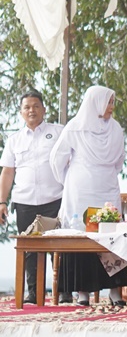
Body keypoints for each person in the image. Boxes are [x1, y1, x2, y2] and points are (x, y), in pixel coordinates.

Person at [50, 85, 127, 306]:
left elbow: (119, 160)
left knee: (112, 236)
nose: (111, 107)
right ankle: (82, 293)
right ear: (95, 102)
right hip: (80, 191)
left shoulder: (116, 129)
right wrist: (67, 181)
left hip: (107, 189)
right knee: (81, 236)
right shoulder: (75, 127)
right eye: (108, 102)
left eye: (113, 102)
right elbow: (57, 159)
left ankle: (115, 293)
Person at [0, 90, 72, 304]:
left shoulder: (59, 132)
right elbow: (7, 172)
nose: (31, 110)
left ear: (44, 109)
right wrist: (1, 201)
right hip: (25, 202)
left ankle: (65, 292)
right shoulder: (14, 140)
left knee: (59, 248)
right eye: (27, 107)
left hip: (56, 200)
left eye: (35, 106)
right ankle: (33, 293)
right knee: (30, 251)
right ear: (21, 112)